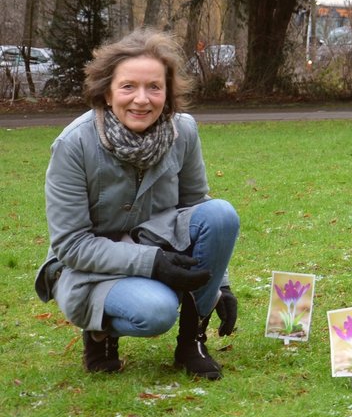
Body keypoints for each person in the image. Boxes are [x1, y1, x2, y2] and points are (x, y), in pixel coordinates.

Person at [34, 28, 239, 379]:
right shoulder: (74, 145)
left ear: (168, 93)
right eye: (128, 86)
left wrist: (221, 284)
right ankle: (100, 331)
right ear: (107, 91)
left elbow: (198, 209)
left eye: (154, 87)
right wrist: (154, 263)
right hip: (89, 267)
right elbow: (71, 245)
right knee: (156, 311)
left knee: (221, 214)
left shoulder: (183, 132)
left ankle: (192, 342)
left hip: (159, 245)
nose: (142, 100)